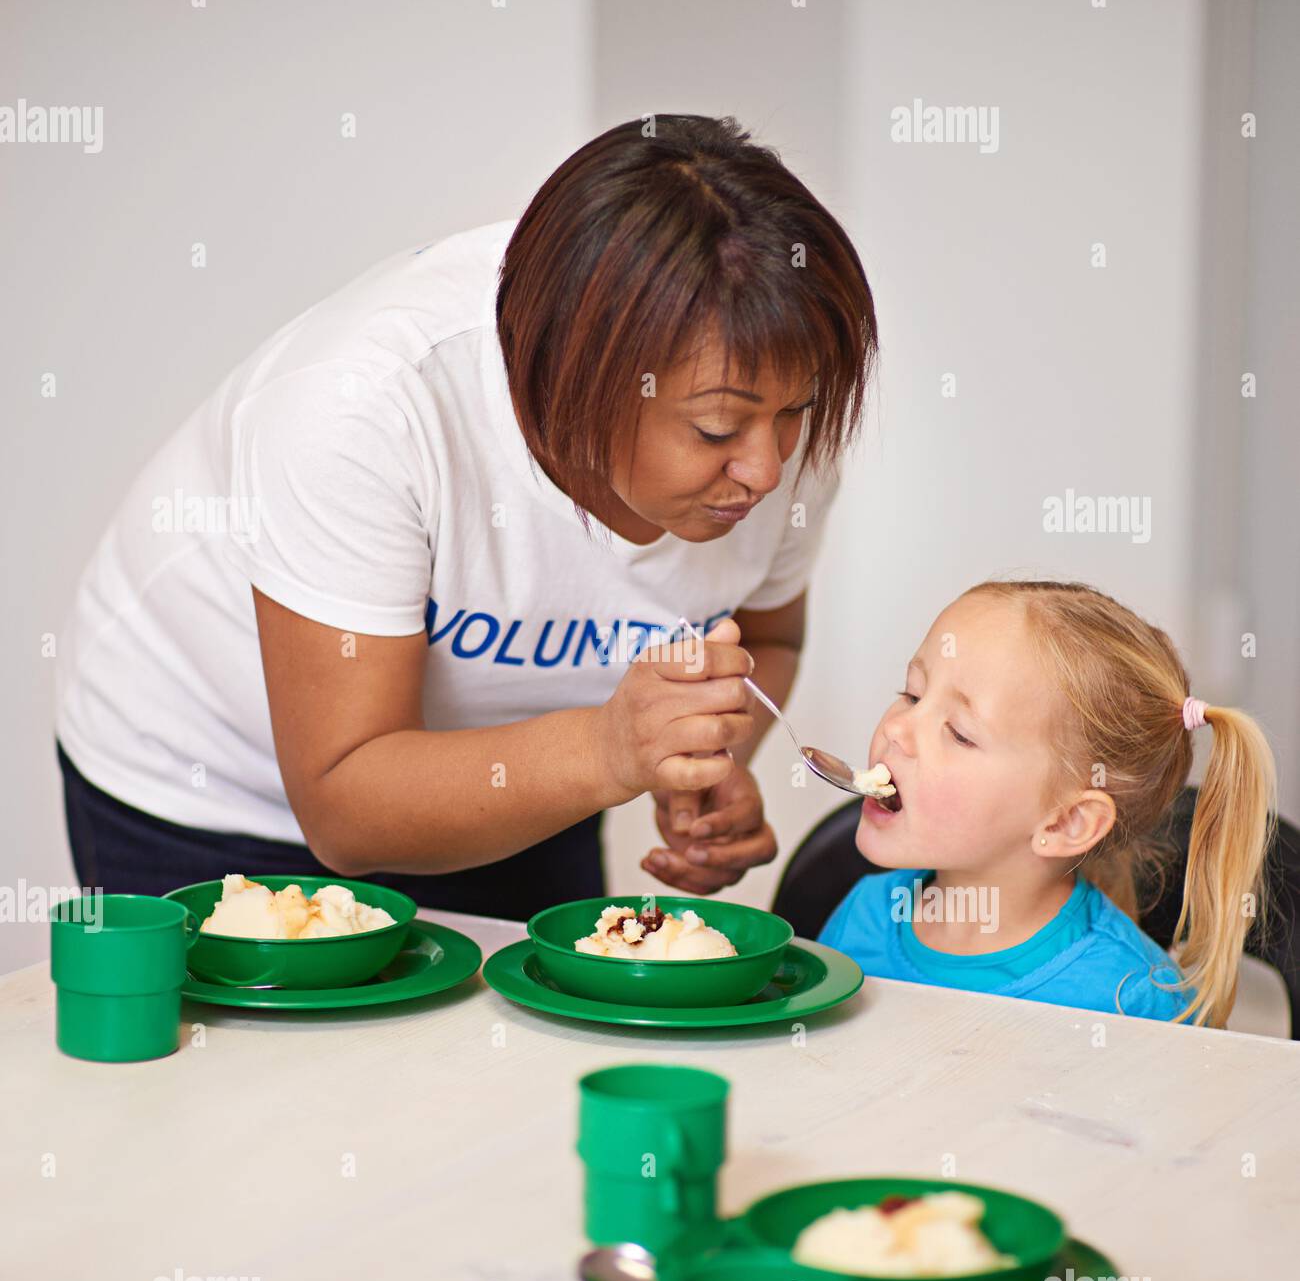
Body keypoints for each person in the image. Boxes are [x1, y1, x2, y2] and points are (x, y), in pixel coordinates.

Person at [54, 114, 878, 918]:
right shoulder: (363, 408)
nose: (766, 470)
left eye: (796, 413)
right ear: (576, 377)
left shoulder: (773, 418)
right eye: (715, 429)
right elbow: (347, 806)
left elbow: (768, 637)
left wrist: (702, 760)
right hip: (213, 791)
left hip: (521, 778)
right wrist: (611, 750)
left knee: (522, 1050)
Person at [820, 580, 1277, 1024]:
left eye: (959, 733)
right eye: (912, 694)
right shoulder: (861, 918)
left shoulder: (1131, 1001)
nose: (896, 729)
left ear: (1067, 823)